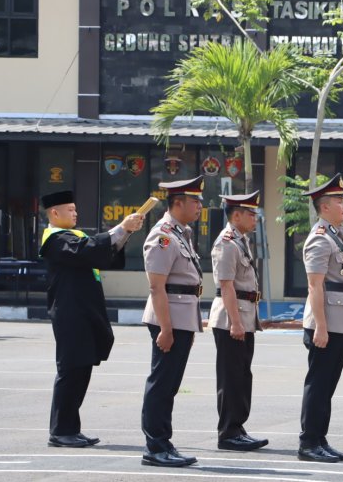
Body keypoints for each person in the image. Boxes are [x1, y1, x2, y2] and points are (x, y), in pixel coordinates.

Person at [39, 190, 144, 448]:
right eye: (70, 209)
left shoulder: (76, 236)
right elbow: (89, 250)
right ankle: (61, 431)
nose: (75, 213)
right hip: (70, 312)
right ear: (55, 213)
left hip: (84, 311)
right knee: (71, 369)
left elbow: (101, 254)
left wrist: (125, 233)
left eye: (76, 209)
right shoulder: (55, 239)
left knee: (81, 369)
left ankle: (70, 428)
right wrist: (120, 227)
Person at [141, 176, 205, 467]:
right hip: (168, 320)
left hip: (181, 319)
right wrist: (166, 328)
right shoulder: (163, 236)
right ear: (177, 203)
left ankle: (164, 442)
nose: (200, 206)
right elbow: (157, 287)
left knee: (170, 384)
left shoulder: (182, 233)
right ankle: (155, 446)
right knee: (162, 382)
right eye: (195, 201)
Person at [297, 173, 343, 463]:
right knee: (318, 383)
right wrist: (321, 326)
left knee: (328, 385)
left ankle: (320, 439)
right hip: (326, 323)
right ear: (323, 208)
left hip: (339, 321)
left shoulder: (335, 236)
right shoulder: (320, 239)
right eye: (338, 201)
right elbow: (315, 285)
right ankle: (308, 443)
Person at [209, 191, 269, 452]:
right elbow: (226, 286)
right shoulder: (226, 242)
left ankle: (238, 427)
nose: (255, 218)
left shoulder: (241, 241)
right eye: (250, 213)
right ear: (236, 216)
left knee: (243, 375)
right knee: (231, 377)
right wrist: (235, 323)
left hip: (244, 317)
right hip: (230, 320)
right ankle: (228, 432)